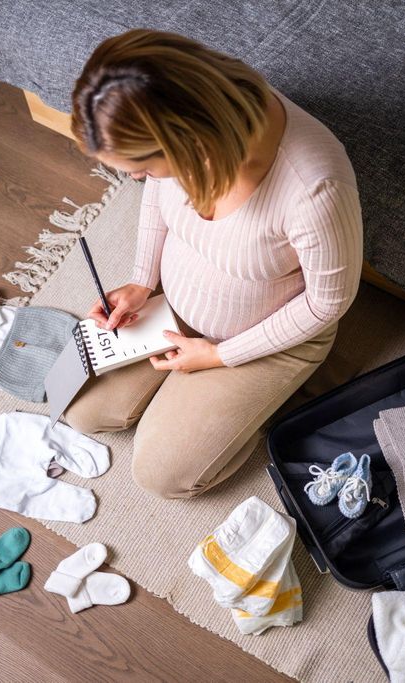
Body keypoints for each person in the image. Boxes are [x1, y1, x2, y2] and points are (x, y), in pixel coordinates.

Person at [64, 28, 363, 498]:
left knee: (164, 474)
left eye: (140, 168)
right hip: (178, 305)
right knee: (82, 408)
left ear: (188, 142)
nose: (136, 179)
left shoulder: (313, 190)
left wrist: (219, 356)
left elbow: (328, 305)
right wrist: (143, 281)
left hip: (264, 336)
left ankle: (279, 396)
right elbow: (158, 197)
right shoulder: (193, 134)